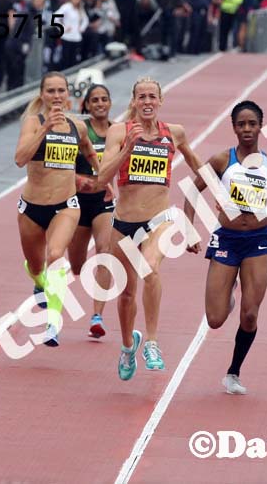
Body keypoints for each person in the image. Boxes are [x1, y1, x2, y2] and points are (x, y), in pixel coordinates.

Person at [185, 101, 267, 394]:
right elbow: (192, 190)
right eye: (242, 124)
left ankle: (233, 373)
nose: (247, 129)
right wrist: (189, 230)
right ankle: (228, 298)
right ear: (234, 128)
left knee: (250, 315)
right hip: (226, 239)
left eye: (252, 124)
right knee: (214, 320)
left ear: (260, 126)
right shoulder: (221, 161)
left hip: (257, 241)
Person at [97, 77, 203, 380]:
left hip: (159, 218)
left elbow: (199, 167)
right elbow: (102, 178)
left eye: (152, 97)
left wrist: (222, 197)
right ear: (134, 101)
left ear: (160, 101)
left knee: (151, 268)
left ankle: (152, 343)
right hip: (124, 222)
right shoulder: (119, 132)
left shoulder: (175, 133)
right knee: (127, 294)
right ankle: (129, 346)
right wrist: (126, 149)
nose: (147, 102)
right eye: (141, 96)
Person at [14, 72, 101, 347]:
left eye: (61, 91)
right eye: (50, 91)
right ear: (42, 95)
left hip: (66, 205)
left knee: (55, 256)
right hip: (31, 208)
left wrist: (101, 178)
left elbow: (89, 152)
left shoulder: (79, 126)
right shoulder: (33, 122)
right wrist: (44, 129)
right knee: (37, 263)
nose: (56, 96)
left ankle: (53, 323)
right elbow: (19, 159)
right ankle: (38, 280)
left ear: (68, 95)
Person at [67, 84, 116, 339]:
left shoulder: (117, 131)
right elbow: (63, 165)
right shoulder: (79, 130)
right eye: (94, 100)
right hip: (77, 201)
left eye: (104, 99)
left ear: (110, 103)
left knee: (105, 251)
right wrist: (77, 179)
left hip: (103, 201)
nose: (99, 104)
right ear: (86, 105)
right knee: (76, 265)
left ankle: (97, 316)